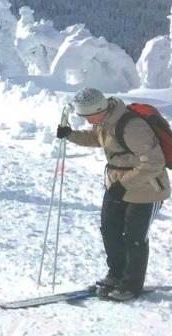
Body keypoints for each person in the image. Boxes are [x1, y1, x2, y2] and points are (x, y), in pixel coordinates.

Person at [57, 87, 169, 301]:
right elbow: (96, 139)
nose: (88, 121)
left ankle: (131, 284)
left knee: (134, 237)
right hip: (118, 185)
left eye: (88, 116)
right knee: (110, 229)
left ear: (99, 109)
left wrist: (124, 183)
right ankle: (116, 273)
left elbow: (154, 162)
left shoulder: (132, 126)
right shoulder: (104, 121)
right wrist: (70, 135)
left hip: (147, 189)